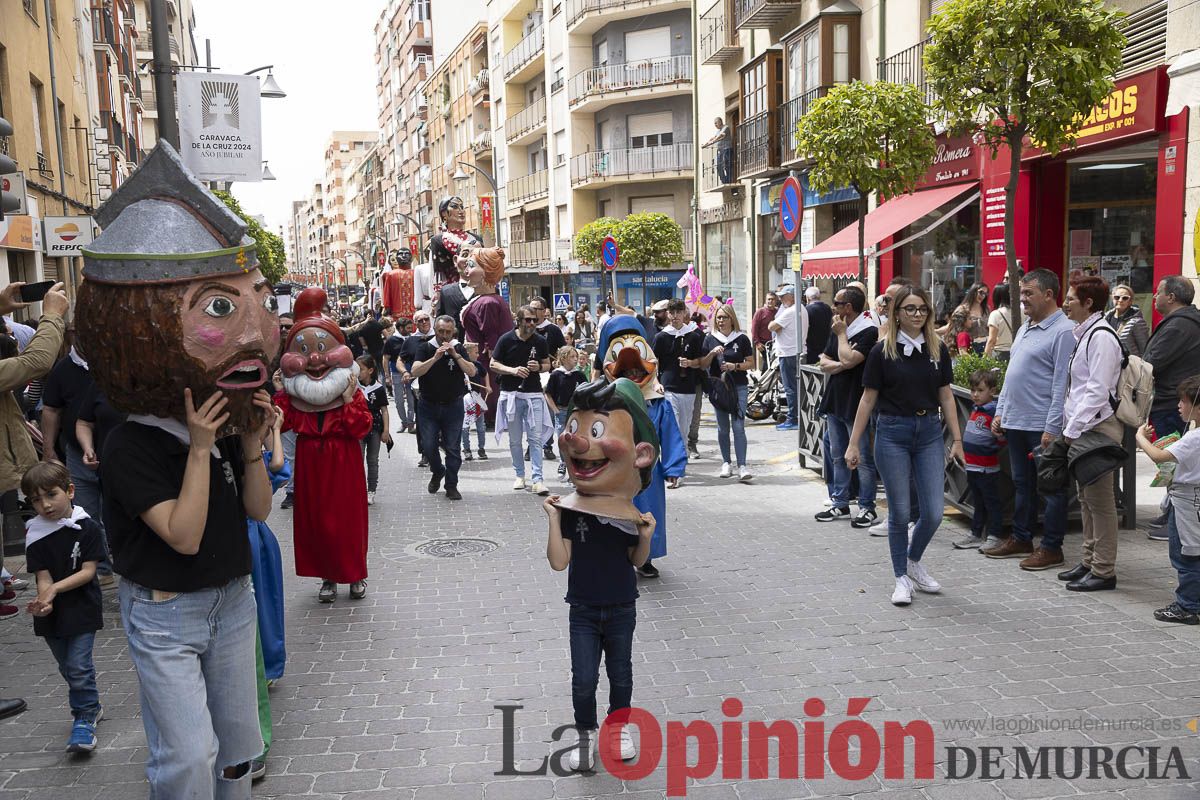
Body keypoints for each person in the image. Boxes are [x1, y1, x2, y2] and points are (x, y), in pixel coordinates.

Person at [75, 143, 279, 797]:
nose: (258, 329)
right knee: (187, 758)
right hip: (167, 614)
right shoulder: (130, 440)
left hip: (231, 600)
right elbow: (185, 535)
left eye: (259, 300)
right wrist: (198, 447)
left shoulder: (218, 412)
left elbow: (257, 511)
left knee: (239, 752)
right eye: (221, 307)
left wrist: (248, 440)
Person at [544, 378, 658, 771]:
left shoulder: (630, 514)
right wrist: (554, 520)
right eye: (574, 428)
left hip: (622, 606)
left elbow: (635, 559)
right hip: (584, 609)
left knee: (621, 674)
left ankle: (619, 728)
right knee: (583, 680)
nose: (576, 441)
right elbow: (560, 562)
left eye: (596, 431)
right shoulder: (573, 511)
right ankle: (584, 734)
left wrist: (646, 537)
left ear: (641, 454)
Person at [845, 285, 963, 606]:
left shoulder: (937, 349)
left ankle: (913, 559)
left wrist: (957, 439)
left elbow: (946, 395)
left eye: (922, 309)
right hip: (892, 432)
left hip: (928, 432)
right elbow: (867, 399)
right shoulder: (882, 352)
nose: (916, 315)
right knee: (898, 512)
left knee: (934, 513)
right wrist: (854, 444)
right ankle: (900, 578)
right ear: (897, 313)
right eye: (910, 309)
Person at [276, 288, 374, 604]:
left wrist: (347, 402)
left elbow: (362, 427)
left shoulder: (349, 388)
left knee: (347, 520)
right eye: (304, 351)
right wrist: (279, 393)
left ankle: (355, 575)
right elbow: (282, 421)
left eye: (322, 348)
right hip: (309, 461)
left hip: (343, 460)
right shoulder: (294, 395)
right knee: (316, 522)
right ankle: (327, 577)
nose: (315, 359)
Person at [985, 269, 1076, 569]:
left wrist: (1052, 427)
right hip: (1016, 422)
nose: (1021, 298)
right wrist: (1001, 412)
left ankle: (1051, 547)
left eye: (1028, 293)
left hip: (1041, 426)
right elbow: (1013, 377)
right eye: (1021, 293)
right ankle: (1022, 537)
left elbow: (1061, 382)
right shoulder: (1025, 326)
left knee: (1050, 488)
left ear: (1049, 294)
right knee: (1022, 484)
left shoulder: (1064, 330)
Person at [22, 460, 106, 753]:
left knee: (79, 665)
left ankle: (83, 719)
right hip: (53, 615)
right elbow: (42, 577)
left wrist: (55, 589)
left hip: (82, 607)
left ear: (70, 491)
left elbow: (88, 571)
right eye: (36, 499)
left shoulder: (87, 527)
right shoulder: (35, 534)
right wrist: (43, 602)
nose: (44, 505)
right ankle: (91, 704)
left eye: (51, 495)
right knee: (67, 667)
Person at [1056, 275, 1123, 592]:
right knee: (1085, 498)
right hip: (1085, 428)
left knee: (1100, 501)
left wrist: (1071, 428)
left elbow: (1096, 391)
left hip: (1096, 428)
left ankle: (1103, 570)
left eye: (1070, 298)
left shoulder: (1101, 337)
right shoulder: (1086, 334)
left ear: (1088, 303)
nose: (1065, 303)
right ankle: (1089, 561)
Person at [244, 406, 290, 782]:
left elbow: (277, 465)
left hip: (257, 543)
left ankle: (270, 667)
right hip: (244, 545)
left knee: (267, 608)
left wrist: (272, 430)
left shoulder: (254, 460)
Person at [1134, 374, 1200, 624]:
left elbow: (1159, 456)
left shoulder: (1194, 437)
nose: (1179, 406)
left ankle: (1188, 605)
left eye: (1183, 402)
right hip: (1192, 497)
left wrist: (1140, 437)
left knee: (1185, 553)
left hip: (1186, 501)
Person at [815, 287, 879, 528]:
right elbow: (824, 361)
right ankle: (840, 502)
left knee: (861, 457)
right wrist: (842, 363)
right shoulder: (838, 327)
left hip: (857, 401)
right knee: (837, 455)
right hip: (835, 400)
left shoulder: (868, 331)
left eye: (837, 303)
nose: (834, 307)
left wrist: (843, 343)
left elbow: (851, 359)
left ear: (849, 307)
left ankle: (866, 506)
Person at [1142, 275, 1200, 536]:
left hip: (1171, 402)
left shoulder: (1179, 326)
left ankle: (1175, 519)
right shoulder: (1186, 321)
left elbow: (1152, 361)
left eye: (1158, 292)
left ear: (1172, 297)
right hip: (1176, 400)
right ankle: (1172, 513)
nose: (1155, 297)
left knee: (1172, 463)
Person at [411, 315, 477, 501]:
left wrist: (455, 355)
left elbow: (472, 371)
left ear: (453, 331)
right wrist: (435, 357)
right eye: (441, 331)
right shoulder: (425, 347)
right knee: (429, 445)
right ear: (435, 329)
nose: (444, 336)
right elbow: (415, 371)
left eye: (448, 332)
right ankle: (438, 470)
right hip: (428, 406)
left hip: (453, 406)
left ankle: (451, 486)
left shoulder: (459, 348)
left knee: (453, 448)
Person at [492, 306, 552, 496]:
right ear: (518, 320)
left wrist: (539, 367)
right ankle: (519, 475)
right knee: (515, 439)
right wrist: (513, 370)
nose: (532, 323)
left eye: (534, 320)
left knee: (535, 437)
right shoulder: (506, 339)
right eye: (528, 320)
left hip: (533, 394)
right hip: (511, 394)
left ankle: (538, 478)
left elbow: (548, 364)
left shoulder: (540, 341)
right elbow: (493, 364)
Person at [461, 247, 516, 424]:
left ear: (486, 271)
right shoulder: (486, 300)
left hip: (484, 362)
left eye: (471, 266)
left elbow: (492, 336)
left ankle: (489, 416)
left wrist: (492, 356)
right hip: (477, 359)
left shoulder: (488, 303)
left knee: (486, 390)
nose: (466, 271)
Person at [700, 305, 755, 481]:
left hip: (739, 386)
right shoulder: (710, 339)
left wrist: (735, 366)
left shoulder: (741, 338)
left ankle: (742, 465)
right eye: (718, 318)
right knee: (723, 428)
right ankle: (726, 463)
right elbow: (703, 364)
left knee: (738, 426)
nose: (721, 321)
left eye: (724, 317)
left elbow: (751, 363)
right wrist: (711, 353)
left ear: (732, 319)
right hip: (719, 389)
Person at [954, 369, 1005, 550]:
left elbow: (1002, 438)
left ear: (992, 391)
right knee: (978, 502)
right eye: (973, 390)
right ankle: (976, 534)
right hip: (973, 467)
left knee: (991, 503)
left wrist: (997, 438)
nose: (975, 395)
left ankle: (994, 535)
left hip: (986, 468)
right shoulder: (976, 409)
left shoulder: (993, 412)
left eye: (980, 390)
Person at [654, 299, 707, 458]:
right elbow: (652, 364)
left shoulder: (694, 336)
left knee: (684, 429)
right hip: (669, 387)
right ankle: (674, 467)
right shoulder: (661, 337)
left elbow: (701, 363)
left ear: (685, 313)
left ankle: (681, 463)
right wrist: (656, 383)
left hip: (689, 388)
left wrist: (690, 363)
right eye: (672, 312)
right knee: (674, 426)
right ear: (668, 314)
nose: (675, 316)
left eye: (679, 312)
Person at [768, 286, 808, 431]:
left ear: (792, 296)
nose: (781, 299)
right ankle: (797, 416)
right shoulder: (801, 308)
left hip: (788, 352)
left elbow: (771, 326)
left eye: (783, 296)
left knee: (790, 387)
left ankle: (793, 418)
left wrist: (777, 323)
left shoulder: (790, 311)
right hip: (796, 351)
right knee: (795, 387)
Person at [546, 345, 587, 483]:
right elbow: (548, 394)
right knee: (563, 440)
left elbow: (586, 391)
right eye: (572, 357)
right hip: (562, 411)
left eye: (576, 357)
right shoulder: (556, 375)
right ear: (563, 358)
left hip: (576, 413)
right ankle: (564, 463)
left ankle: (574, 469)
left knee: (575, 440)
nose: (576, 360)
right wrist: (555, 410)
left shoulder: (579, 375)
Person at [356, 355, 392, 506]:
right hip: (357, 428)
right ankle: (358, 490)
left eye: (361, 369)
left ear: (370, 370)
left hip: (375, 429)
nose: (358, 372)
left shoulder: (378, 388)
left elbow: (384, 410)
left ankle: (371, 491)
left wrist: (386, 430)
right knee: (357, 461)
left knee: (372, 460)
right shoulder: (354, 387)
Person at [383, 317, 416, 435]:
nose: (410, 330)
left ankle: (411, 423)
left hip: (412, 374)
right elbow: (385, 359)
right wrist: (387, 375)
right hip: (396, 374)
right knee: (399, 401)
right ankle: (404, 422)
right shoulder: (391, 340)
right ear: (400, 328)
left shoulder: (412, 339)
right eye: (407, 328)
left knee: (412, 400)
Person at [941, 282, 990, 354]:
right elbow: (952, 326)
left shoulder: (986, 309)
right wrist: (934, 331)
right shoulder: (962, 309)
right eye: (981, 292)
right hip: (968, 348)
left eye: (985, 294)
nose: (982, 296)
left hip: (985, 347)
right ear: (973, 291)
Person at [461, 341, 490, 462]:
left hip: (477, 397)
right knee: (465, 426)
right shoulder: (460, 365)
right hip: (465, 400)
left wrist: (488, 386)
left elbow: (485, 373)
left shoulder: (478, 364)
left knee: (481, 426)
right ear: (467, 353)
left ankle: (481, 449)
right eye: (476, 352)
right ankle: (467, 449)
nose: (478, 355)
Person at [1104, 283, 1149, 358]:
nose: (1120, 300)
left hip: (1128, 367)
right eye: (1117, 297)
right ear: (1112, 298)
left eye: (1125, 298)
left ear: (1130, 301)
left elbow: (1144, 349)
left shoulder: (1137, 321)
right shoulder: (1105, 318)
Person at [983, 283, 1013, 360]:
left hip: (1001, 354)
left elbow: (991, 340)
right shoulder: (1022, 311)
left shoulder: (996, 314)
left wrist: (984, 360)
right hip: (1017, 352)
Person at [804, 286, 832, 366]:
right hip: (825, 344)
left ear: (808, 298)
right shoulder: (827, 308)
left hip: (811, 346)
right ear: (819, 296)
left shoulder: (807, 310)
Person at [704, 116, 733, 185]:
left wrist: (714, 140)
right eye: (714, 124)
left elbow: (720, 136)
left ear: (720, 122)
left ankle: (729, 180)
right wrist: (706, 144)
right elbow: (713, 138)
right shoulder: (718, 131)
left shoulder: (726, 128)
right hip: (721, 151)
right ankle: (725, 181)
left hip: (727, 149)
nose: (715, 125)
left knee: (727, 165)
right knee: (718, 166)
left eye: (716, 123)